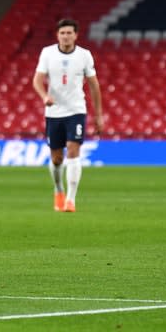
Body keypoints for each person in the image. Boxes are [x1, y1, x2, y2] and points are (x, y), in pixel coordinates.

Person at [32, 18, 103, 213]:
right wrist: (44, 96)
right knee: (56, 158)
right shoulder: (47, 53)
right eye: (62, 33)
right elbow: (37, 80)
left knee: (73, 150)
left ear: (76, 35)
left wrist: (98, 115)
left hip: (76, 110)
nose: (66, 36)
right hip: (53, 112)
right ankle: (59, 189)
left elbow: (94, 85)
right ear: (57, 35)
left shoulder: (84, 55)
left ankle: (71, 200)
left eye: (69, 33)